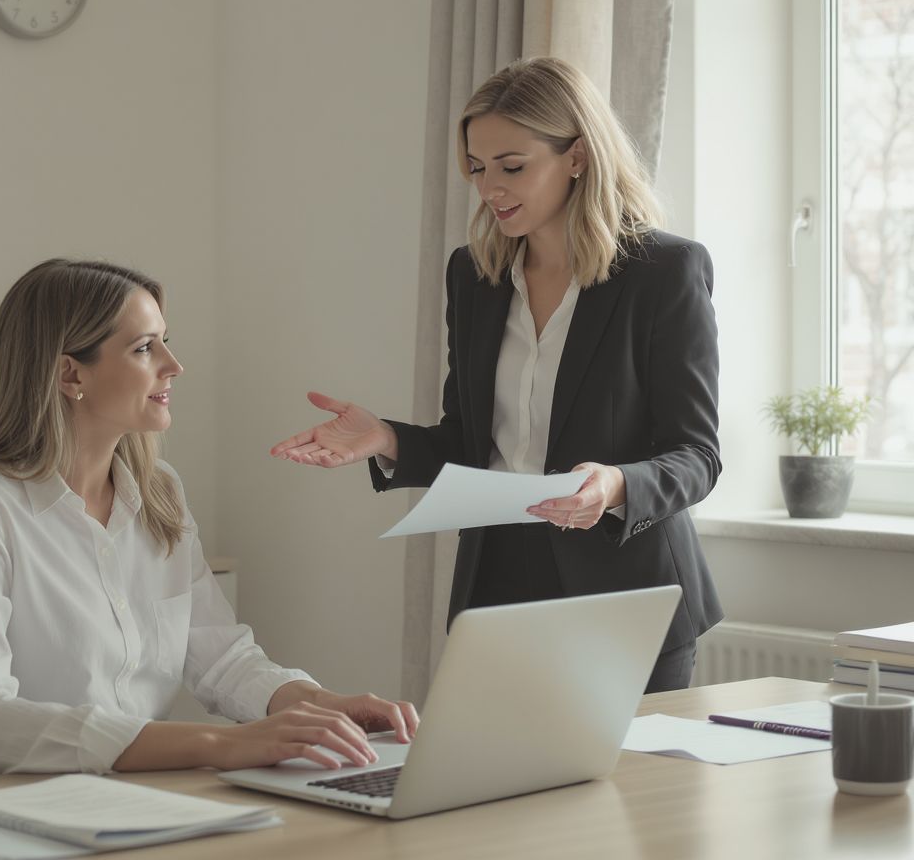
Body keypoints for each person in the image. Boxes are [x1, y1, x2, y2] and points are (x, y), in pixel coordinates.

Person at [270, 57, 723, 692]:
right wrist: (387, 439)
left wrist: (616, 484)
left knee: (630, 793)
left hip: (626, 592)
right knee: (498, 791)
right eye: (478, 168)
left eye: (513, 167)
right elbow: (470, 440)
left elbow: (697, 455)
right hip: (498, 584)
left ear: (577, 157)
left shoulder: (662, 273)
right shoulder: (475, 275)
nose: (490, 189)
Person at [0, 259, 417, 786]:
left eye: (165, 340)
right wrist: (221, 745)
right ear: (70, 373)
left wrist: (322, 706)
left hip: (115, 802)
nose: (174, 365)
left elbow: (222, 659)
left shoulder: (159, 491)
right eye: (145, 348)